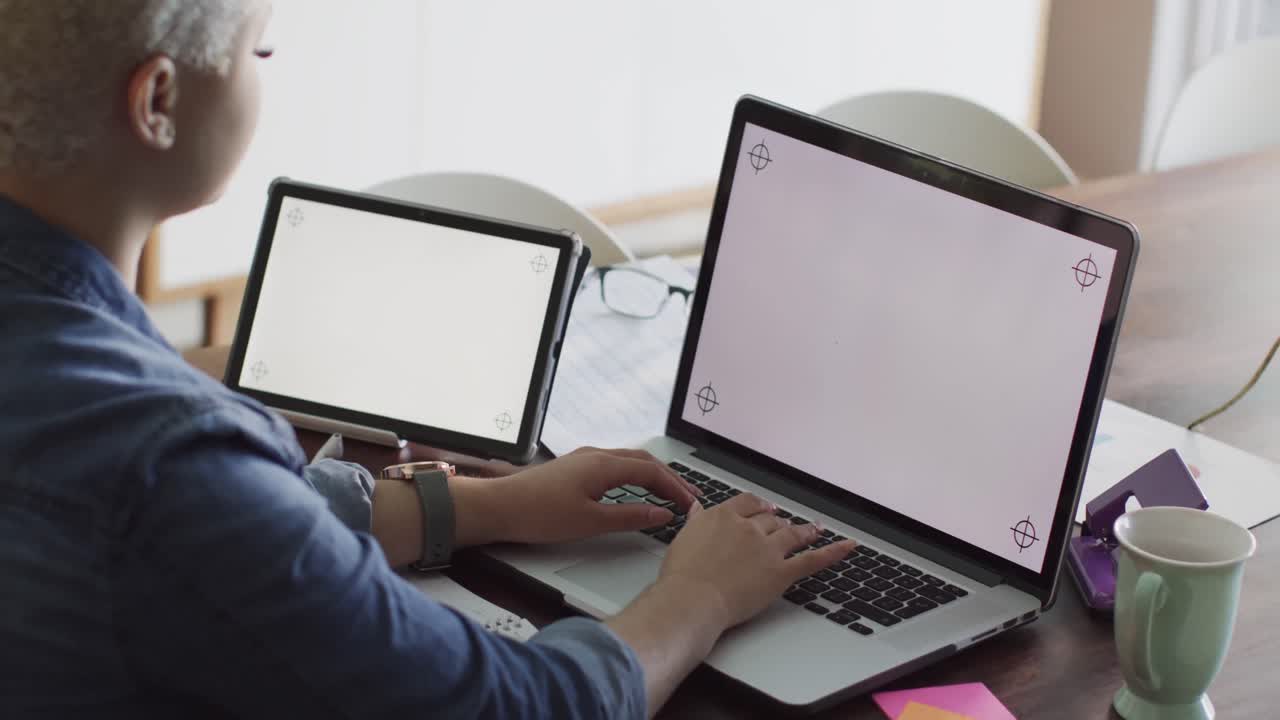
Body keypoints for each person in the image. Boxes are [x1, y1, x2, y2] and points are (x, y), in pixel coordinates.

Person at [0, 2, 856, 718]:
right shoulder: (169, 461)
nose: (269, 67)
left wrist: (482, 506)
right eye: (257, 48)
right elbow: (517, 707)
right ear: (156, 101)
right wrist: (699, 596)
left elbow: (219, 530)